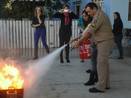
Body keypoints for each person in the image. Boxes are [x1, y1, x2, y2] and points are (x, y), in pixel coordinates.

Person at [72, 2, 114, 93]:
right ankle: (106, 84)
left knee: (101, 63)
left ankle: (101, 87)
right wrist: (78, 38)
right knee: (104, 64)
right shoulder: (96, 16)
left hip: (104, 41)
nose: (88, 14)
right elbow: (88, 28)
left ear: (94, 8)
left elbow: (90, 31)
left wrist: (79, 42)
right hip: (101, 41)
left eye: (89, 11)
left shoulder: (99, 16)